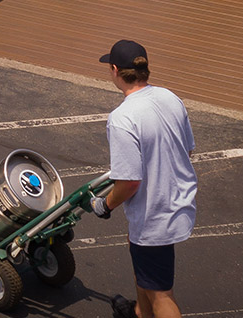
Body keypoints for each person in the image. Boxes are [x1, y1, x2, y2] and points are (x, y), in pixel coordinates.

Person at [89, 39, 196, 318]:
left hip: (155, 214)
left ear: (114, 70)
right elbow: (187, 149)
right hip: (175, 202)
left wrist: (104, 205)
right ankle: (140, 313)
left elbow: (129, 182)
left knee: (162, 294)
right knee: (145, 269)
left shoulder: (123, 118)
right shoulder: (170, 98)